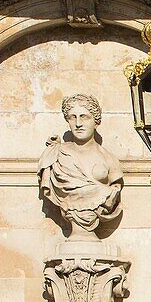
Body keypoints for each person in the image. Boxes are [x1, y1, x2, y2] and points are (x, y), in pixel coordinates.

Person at [38, 93, 123, 239]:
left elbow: (114, 189)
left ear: (96, 122)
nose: (78, 123)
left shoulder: (109, 159)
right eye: (72, 117)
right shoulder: (56, 156)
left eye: (84, 117)